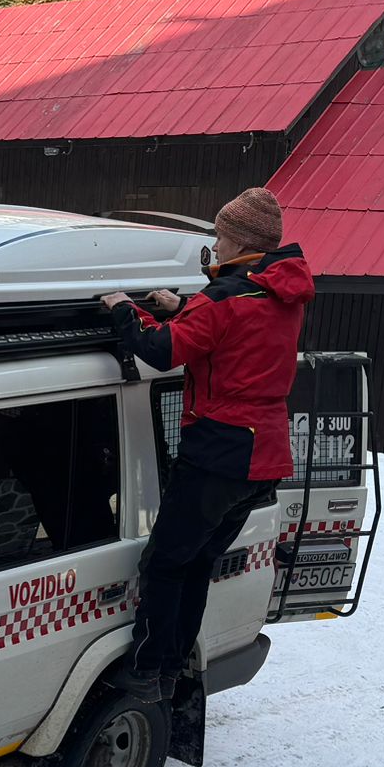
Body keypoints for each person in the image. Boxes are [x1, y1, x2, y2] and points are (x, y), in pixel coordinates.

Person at [99, 186, 313, 702]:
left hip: (217, 453)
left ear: (239, 240)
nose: (214, 247)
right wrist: (185, 306)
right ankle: (171, 667)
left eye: (219, 237)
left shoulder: (224, 299)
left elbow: (161, 350)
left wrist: (123, 309)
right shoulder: (279, 293)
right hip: (262, 459)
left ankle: (147, 669)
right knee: (196, 563)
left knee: (166, 563)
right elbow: (232, 329)